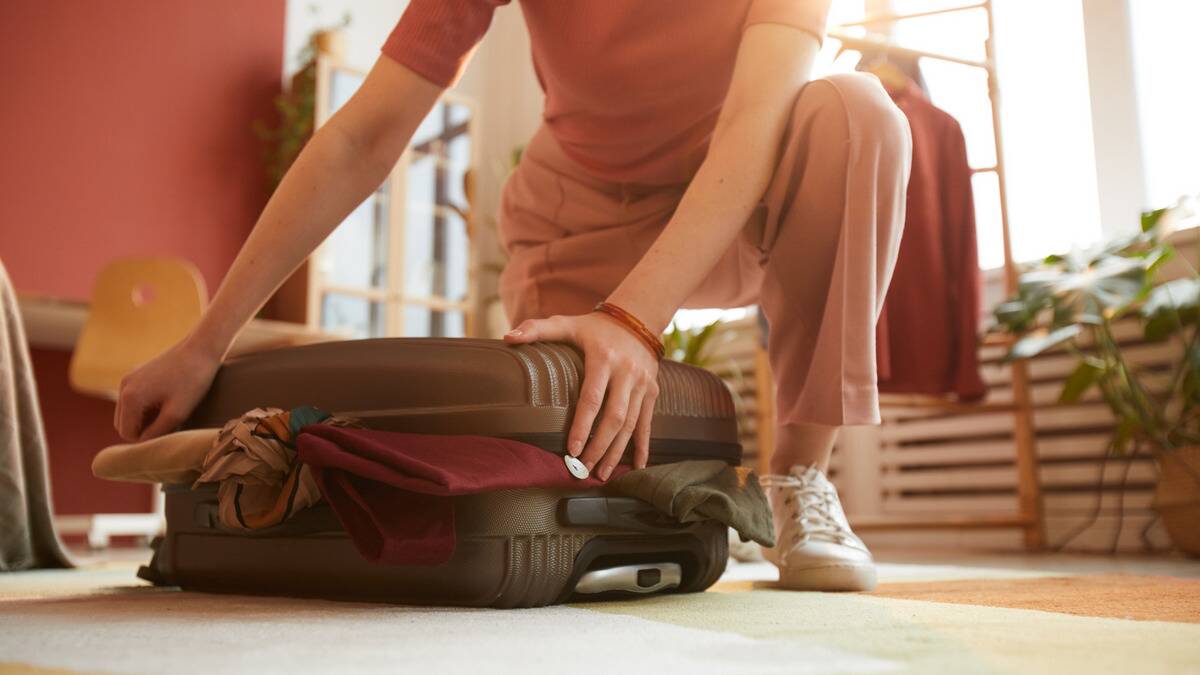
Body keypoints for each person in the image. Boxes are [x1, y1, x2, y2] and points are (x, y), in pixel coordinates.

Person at [115, 0, 911, 592]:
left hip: (738, 208)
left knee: (859, 112)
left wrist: (634, 321)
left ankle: (799, 478)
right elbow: (364, 135)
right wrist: (206, 340)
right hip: (576, 228)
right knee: (547, 474)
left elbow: (751, 125)